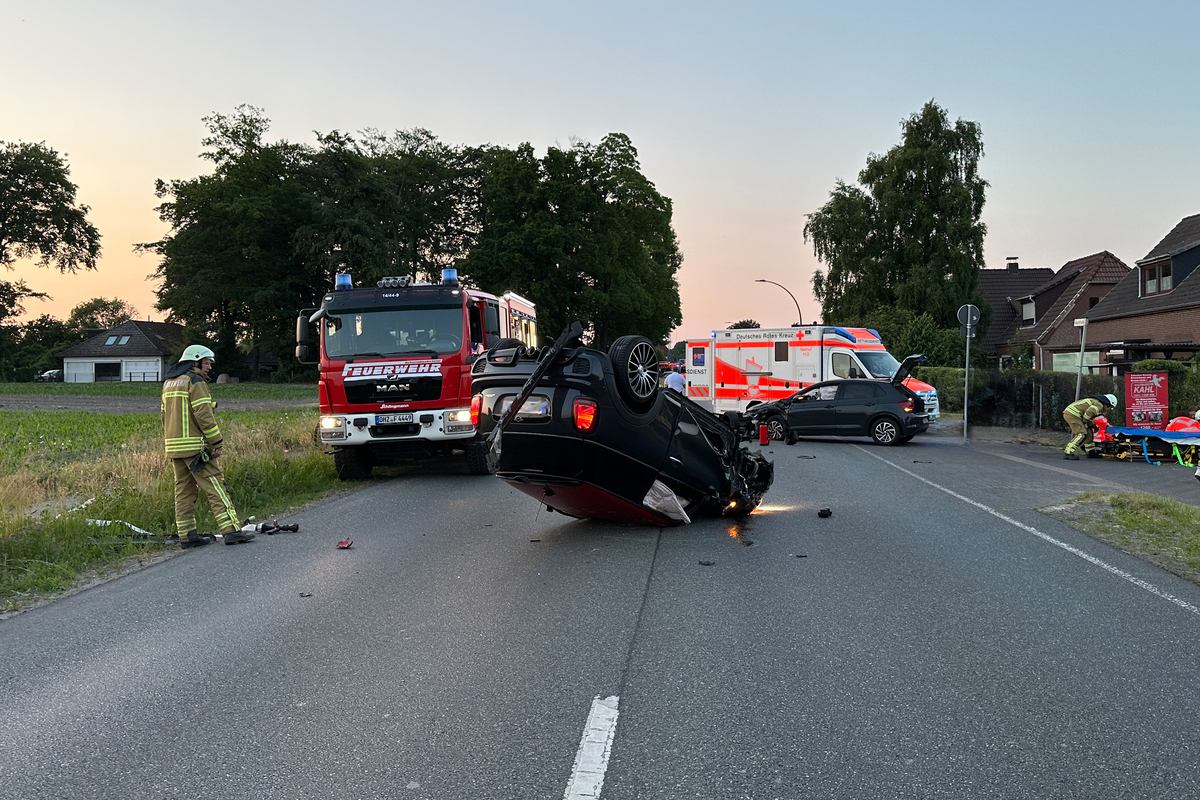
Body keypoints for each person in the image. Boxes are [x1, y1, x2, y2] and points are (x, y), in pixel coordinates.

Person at [161, 345, 254, 548]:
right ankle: (231, 530)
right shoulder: (195, 381)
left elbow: (164, 416)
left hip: (174, 449)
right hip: (195, 449)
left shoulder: (169, 383)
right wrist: (217, 442)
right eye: (206, 362)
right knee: (216, 487)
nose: (210, 366)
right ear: (195, 362)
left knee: (184, 491)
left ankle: (187, 535)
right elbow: (204, 415)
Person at [1062, 393, 1116, 460]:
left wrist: (1090, 424)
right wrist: (1085, 422)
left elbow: (1088, 416)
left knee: (1089, 432)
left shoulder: (1096, 402)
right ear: (1107, 404)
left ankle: (1091, 452)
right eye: (1109, 408)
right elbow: (1088, 413)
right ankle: (1068, 452)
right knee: (1082, 434)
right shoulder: (1099, 405)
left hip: (1074, 414)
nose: (1108, 410)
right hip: (1073, 415)